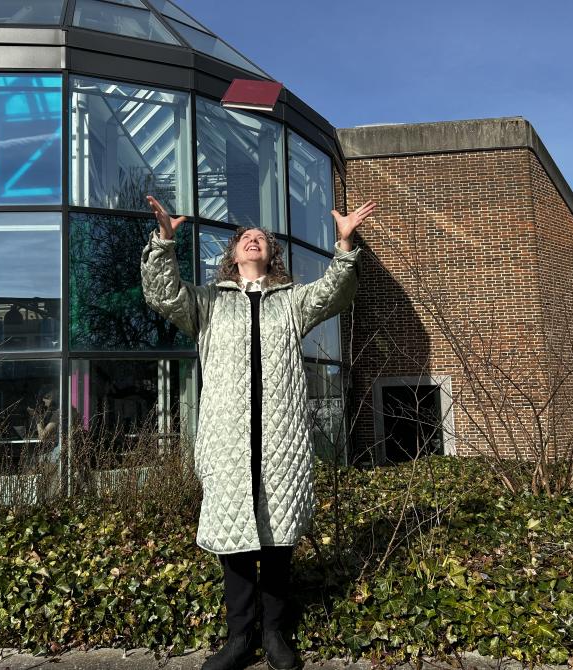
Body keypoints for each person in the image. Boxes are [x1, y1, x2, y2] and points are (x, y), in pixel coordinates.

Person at [141, 194, 376, 670]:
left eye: (263, 239)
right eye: (247, 238)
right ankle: (237, 638)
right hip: (227, 441)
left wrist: (345, 243)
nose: (255, 239)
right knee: (236, 542)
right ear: (232, 256)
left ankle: (274, 635)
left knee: (278, 541)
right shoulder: (208, 304)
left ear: (271, 255)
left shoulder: (291, 302)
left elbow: (335, 291)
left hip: (280, 441)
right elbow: (163, 295)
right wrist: (164, 241)